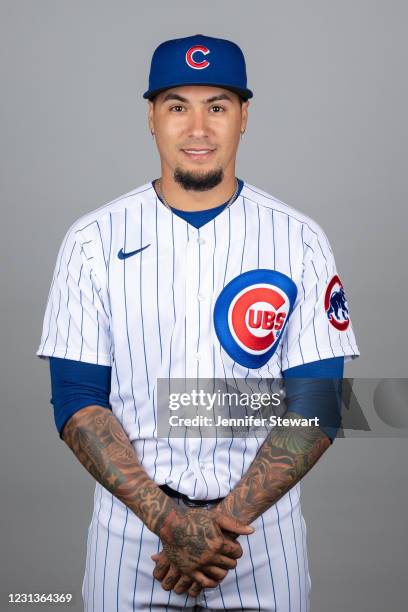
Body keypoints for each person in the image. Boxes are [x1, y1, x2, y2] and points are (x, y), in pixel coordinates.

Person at [37, 34, 359, 611]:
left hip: (259, 540)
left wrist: (219, 527)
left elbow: (318, 403)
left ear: (244, 118)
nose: (198, 129)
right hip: (130, 536)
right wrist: (172, 524)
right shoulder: (92, 241)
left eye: (217, 106)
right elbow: (78, 400)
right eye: (177, 107)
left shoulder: (299, 240)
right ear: (151, 118)